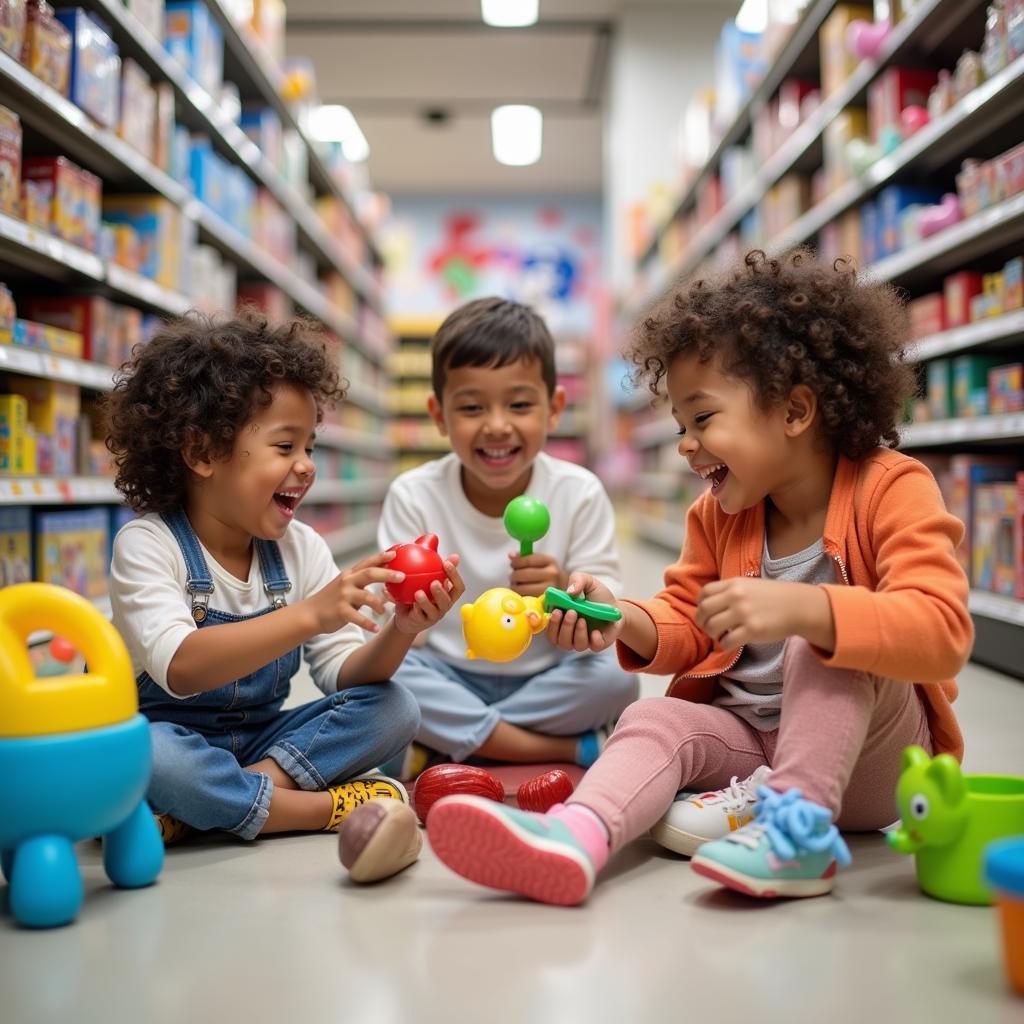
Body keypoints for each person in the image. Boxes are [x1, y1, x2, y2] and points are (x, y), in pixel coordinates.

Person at [425, 250, 973, 903]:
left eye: (703, 419)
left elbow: (943, 632)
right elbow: (686, 619)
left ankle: (795, 838)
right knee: (654, 722)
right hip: (752, 745)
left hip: (874, 760)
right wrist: (618, 613)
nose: (685, 444)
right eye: (681, 425)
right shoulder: (717, 515)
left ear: (795, 410)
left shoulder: (892, 488)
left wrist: (809, 612)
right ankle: (575, 837)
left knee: (827, 640)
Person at [106, 311, 465, 844]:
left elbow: (347, 676)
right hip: (176, 738)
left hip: (265, 744)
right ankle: (316, 810)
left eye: (310, 447)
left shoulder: (299, 549)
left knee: (396, 707)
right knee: (153, 755)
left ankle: (222, 802)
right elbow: (180, 667)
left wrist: (403, 629)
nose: (306, 465)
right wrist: (308, 615)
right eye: (284, 447)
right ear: (203, 453)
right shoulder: (149, 546)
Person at [378, 297, 637, 779]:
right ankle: (562, 750)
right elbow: (395, 632)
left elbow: (608, 614)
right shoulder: (413, 495)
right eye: (472, 407)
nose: (497, 425)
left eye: (519, 405)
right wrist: (414, 614)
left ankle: (448, 743)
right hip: (449, 672)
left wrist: (564, 590)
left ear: (554, 408)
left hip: (547, 675)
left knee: (618, 676)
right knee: (384, 678)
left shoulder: (578, 491)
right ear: (439, 415)